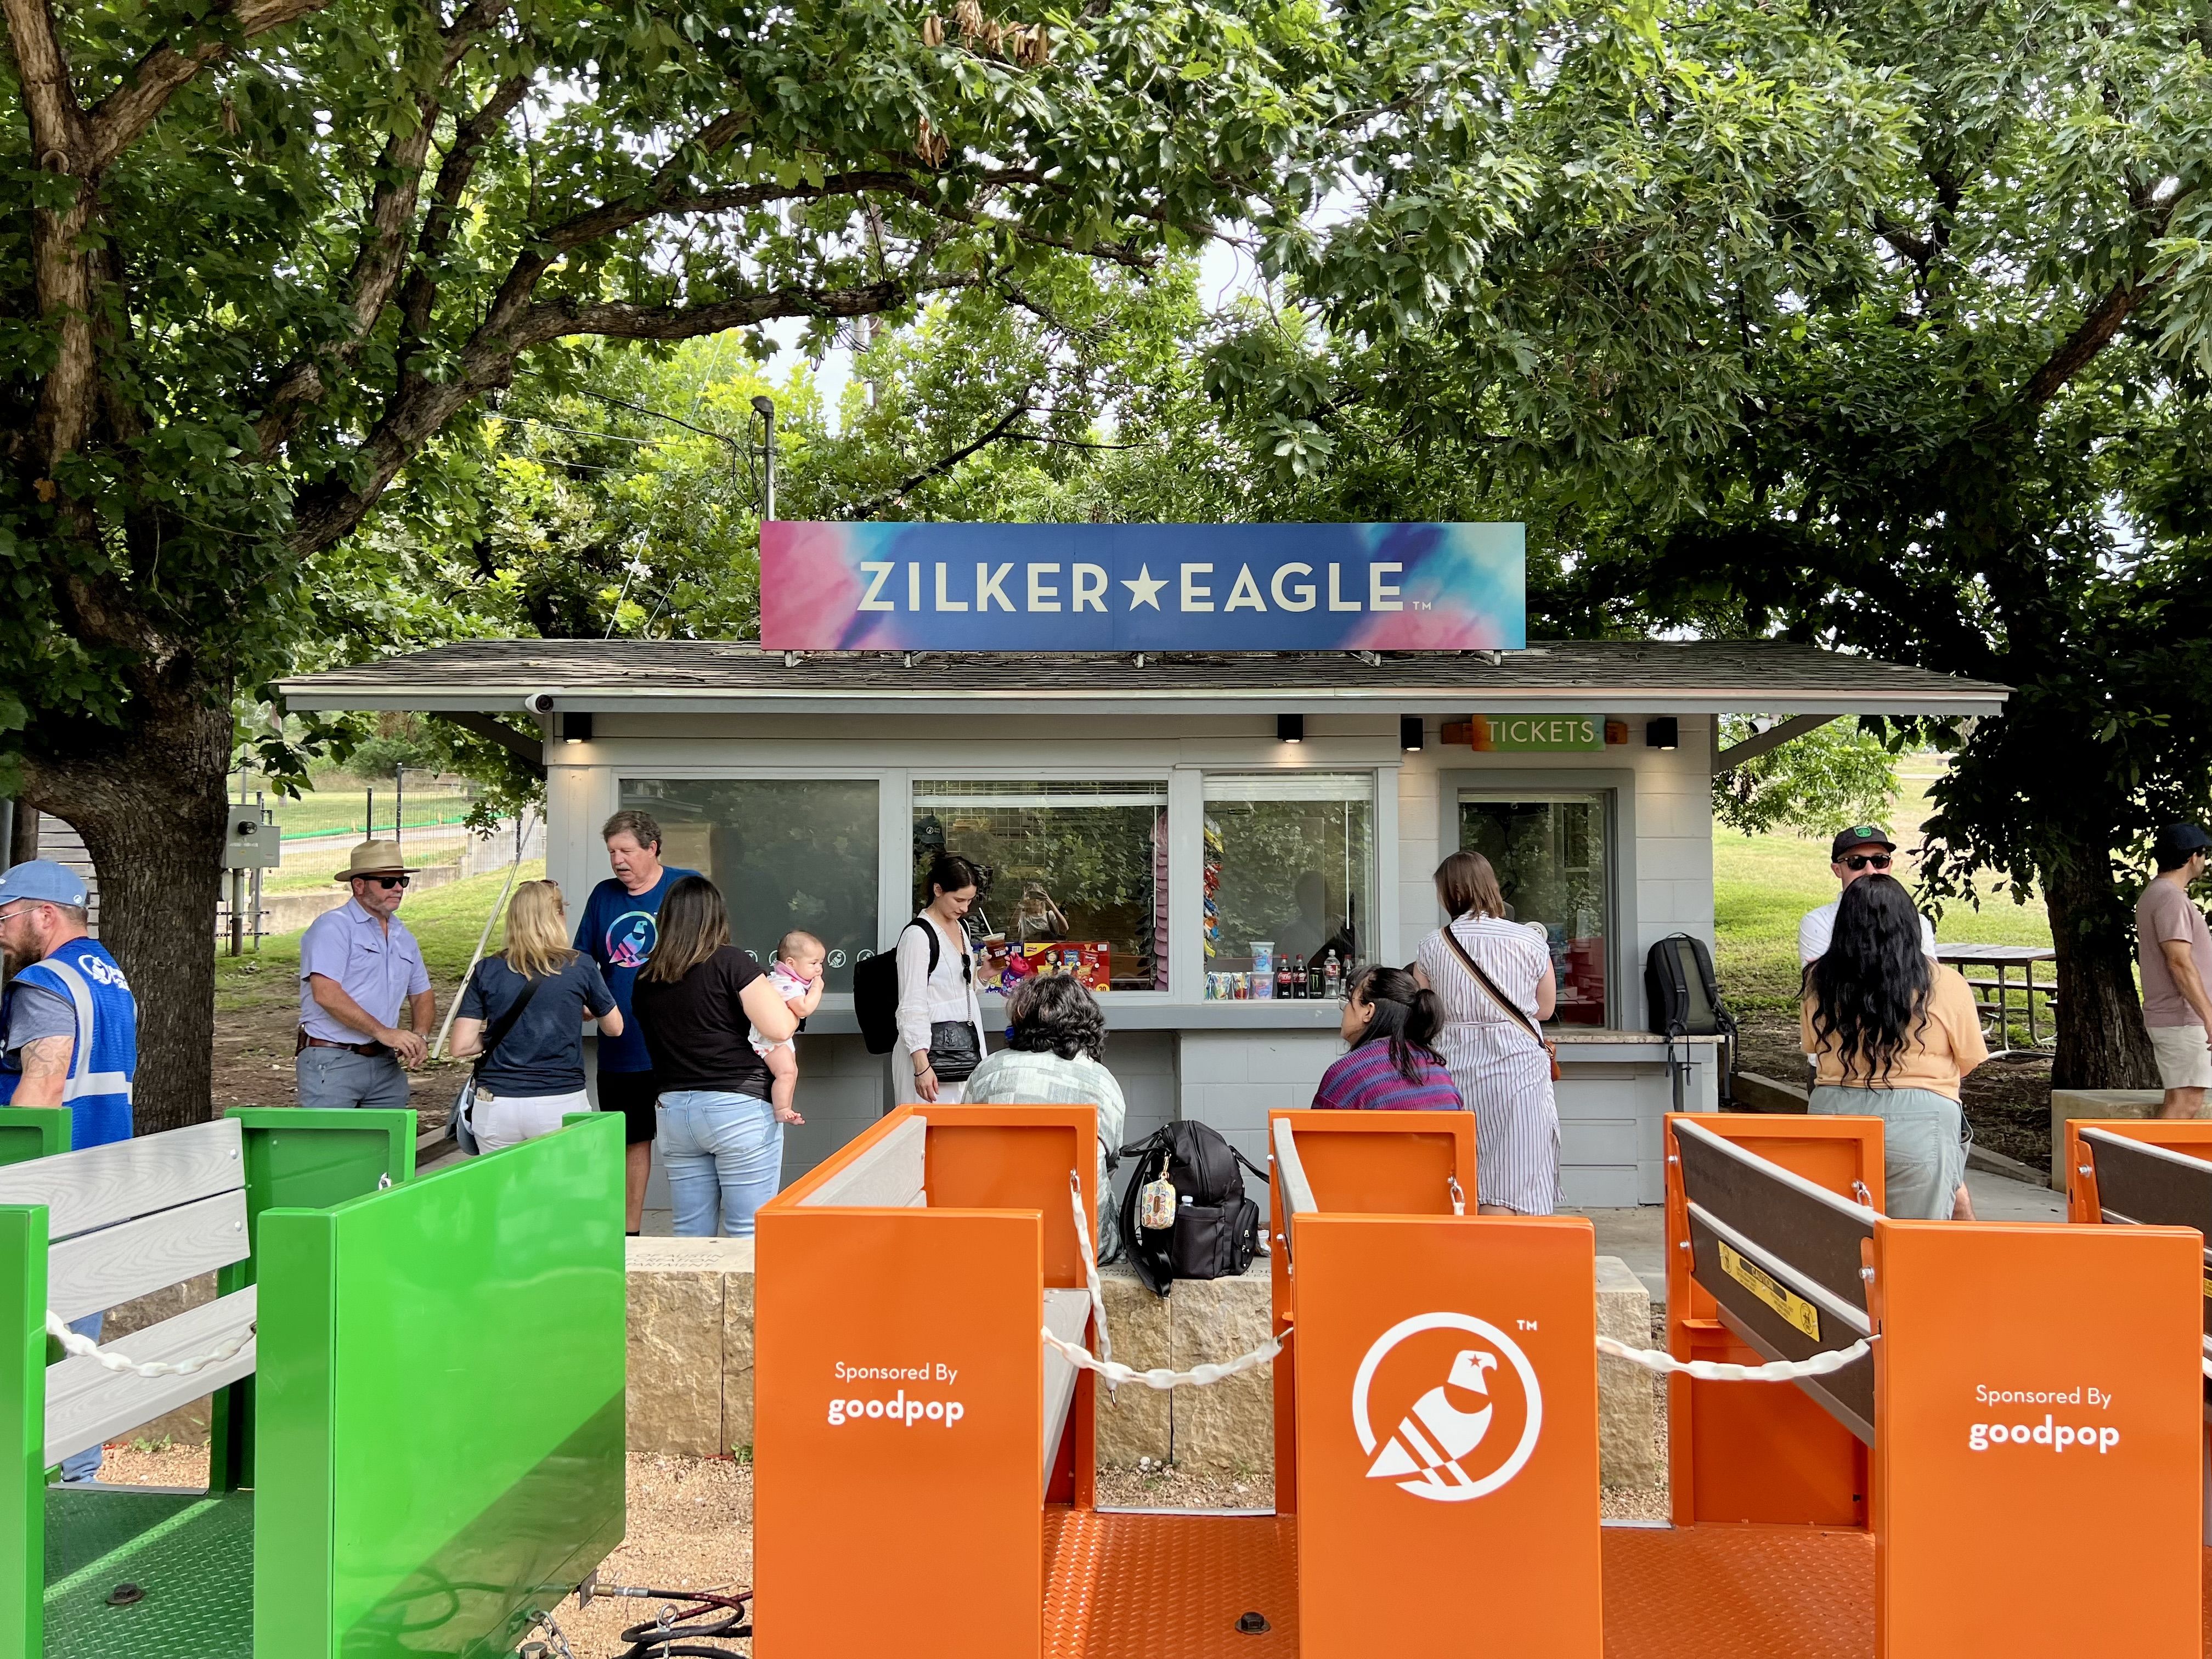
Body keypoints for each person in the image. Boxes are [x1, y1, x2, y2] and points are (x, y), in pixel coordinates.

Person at [0, 859, 137, 1481]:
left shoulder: (42, 982)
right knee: (74, 1351)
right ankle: (82, 1487)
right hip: (101, 1184)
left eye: (6, 917)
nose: (1, 930)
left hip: (47, 1193)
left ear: (44, 915)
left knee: (28, 1353)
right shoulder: (108, 976)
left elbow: (45, 1082)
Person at [1803, 873, 1990, 1220]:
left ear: (1843, 924)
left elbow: (1814, 1047)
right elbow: (1970, 1059)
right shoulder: (1946, 983)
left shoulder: (1819, 981)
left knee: (1837, 1238)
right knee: (1917, 1245)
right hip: (1922, 1119)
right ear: (1910, 923)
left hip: (1834, 1113)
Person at [630, 876, 802, 1237]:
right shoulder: (732, 963)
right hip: (737, 1108)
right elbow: (779, 1029)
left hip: (674, 1111)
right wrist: (799, 1003)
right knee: (747, 1233)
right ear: (717, 917)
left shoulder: (647, 975)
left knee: (691, 1233)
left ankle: (686, 1297)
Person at [574, 809, 701, 1234]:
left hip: (679, 1044)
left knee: (691, 1140)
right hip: (621, 1044)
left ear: (653, 848)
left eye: (626, 850)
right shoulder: (603, 896)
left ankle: (695, 1233)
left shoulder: (686, 888)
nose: (618, 861)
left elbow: (712, 956)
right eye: (612, 852)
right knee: (630, 1139)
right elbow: (583, 964)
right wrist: (585, 1003)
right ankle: (629, 1233)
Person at [1414, 850, 1559, 1215]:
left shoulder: (1434, 945)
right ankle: (1508, 1262)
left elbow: (1423, 1007)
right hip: (1519, 1067)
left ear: (1450, 893)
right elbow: (1544, 1009)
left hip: (1454, 1067)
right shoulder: (1530, 941)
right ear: (1491, 887)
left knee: (1463, 1171)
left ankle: (1469, 1259)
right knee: (1516, 1174)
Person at [449, 880, 622, 1153]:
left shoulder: (488, 969)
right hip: (560, 1101)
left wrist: (501, 1034)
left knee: (500, 1194)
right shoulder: (580, 966)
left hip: (497, 1104)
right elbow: (615, 1028)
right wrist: (583, 1010)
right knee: (560, 1191)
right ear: (556, 917)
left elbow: (461, 1046)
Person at [964, 975, 1126, 1246]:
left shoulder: (986, 1071)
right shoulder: (1103, 1083)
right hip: (1079, 1240)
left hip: (994, 1230)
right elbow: (1109, 1166)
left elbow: (968, 1149)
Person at [296, 840, 433, 1109]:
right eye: (387, 882)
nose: (397, 888)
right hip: (332, 1058)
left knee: (387, 1147)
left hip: (385, 1064)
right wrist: (384, 1032)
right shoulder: (333, 927)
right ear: (359, 885)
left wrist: (420, 1037)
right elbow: (326, 994)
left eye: (402, 881)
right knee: (331, 1147)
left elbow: (422, 995)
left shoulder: (402, 935)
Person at [896, 853, 990, 1105]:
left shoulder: (962, 928)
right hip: (931, 1055)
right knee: (927, 1133)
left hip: (964, 1050)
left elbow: (959, 991)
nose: (964, 908)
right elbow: (910, 1004)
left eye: (970, 901)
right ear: (938, 889)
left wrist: (984, 975)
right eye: (959, 899)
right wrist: (921, 1065)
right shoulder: (918, 936)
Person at [2135, 822, 2212, 1119]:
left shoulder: (2156, 893)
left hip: (2175, 1018)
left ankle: (2153, 1165)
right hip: (2183, 1018)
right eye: (2203, 855)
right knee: (2187, 1102)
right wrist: (2208, 1017)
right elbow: (2179, 961)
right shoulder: (2172, 899)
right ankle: (2149, 1166)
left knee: (2181, 1099)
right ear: (2193, 857)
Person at [1313, 965, 1463, 1112]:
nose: (1345, 1010)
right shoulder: (1440, 1073)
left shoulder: (1346, 1074)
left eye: (1350, 1001)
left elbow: (1318, 1135)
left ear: (1368, 1012)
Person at [1799, 824, 1938, 963]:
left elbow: (1931, 979)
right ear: (1837, 870)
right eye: (1856, 862)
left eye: (1879, 861)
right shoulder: (1819, 922)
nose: (1870, 870)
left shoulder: (1919, 922)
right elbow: (1819, 983)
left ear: (1890, 866)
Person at [750, 929, 827, 1126]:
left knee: (791, 1070)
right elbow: (803, 1009)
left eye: (821, 963)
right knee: (786, 1073)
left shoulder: (785, 980)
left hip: (777, 1039)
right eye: (813, 963)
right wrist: (817, 990)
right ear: (791, 964)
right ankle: (782, 1109)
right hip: (770, 1041)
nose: (819, 969)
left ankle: (784, 1107)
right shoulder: (786, 984)